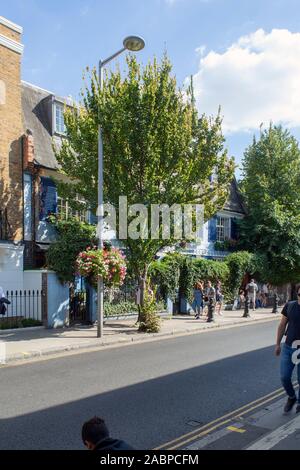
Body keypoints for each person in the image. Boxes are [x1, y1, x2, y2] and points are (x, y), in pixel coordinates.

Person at [275, 286, 300, 414]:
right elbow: (282, 325)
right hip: (289, 347)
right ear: (298, 294)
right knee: (284, 377)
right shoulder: (290, 306)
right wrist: (277, 344)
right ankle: (292, 397)